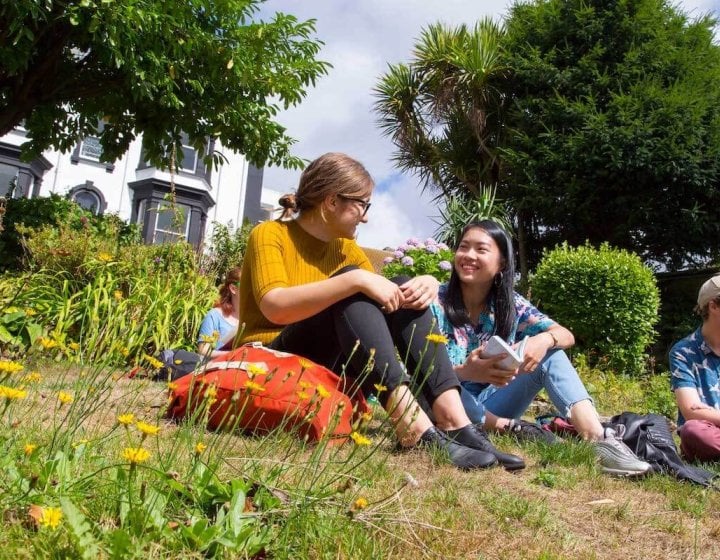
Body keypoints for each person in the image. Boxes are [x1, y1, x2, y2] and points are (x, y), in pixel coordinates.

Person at [237, 152, 524, 471]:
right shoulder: (270, 234)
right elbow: (274, 307)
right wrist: (355, 279)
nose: (365, 217)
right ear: (332, 201)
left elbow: (385, 299)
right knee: (353, 286)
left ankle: (454, 421)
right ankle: (414, 428)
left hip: (328, 360)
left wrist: (425, 283)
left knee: (399, 286)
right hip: (269, 358)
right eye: (362, 204)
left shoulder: (345, 249)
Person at [430, 220, 651, 476]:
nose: (468, 255)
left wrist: (543, 340)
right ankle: (505, 426)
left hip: (494, 400)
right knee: (441, 386)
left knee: (552, 353)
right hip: (449, 404)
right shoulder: (437, 301)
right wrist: (467, 373)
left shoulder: (511, 305)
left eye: (481, 249)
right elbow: (421, 372)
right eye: (463, 247)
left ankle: (599, 440)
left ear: (501, 263)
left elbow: (564, 334)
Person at [669, 274, 720, 462]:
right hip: (709, 433)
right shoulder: (684, 352)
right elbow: (691, 412)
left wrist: (710, 412)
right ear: (713, 306)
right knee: (693, 431)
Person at [197, 267, 241, 358]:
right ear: (233, 288)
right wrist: (232, 355)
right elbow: (203, 350)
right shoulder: (214, 316)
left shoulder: (251, 318)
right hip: (217, 368)